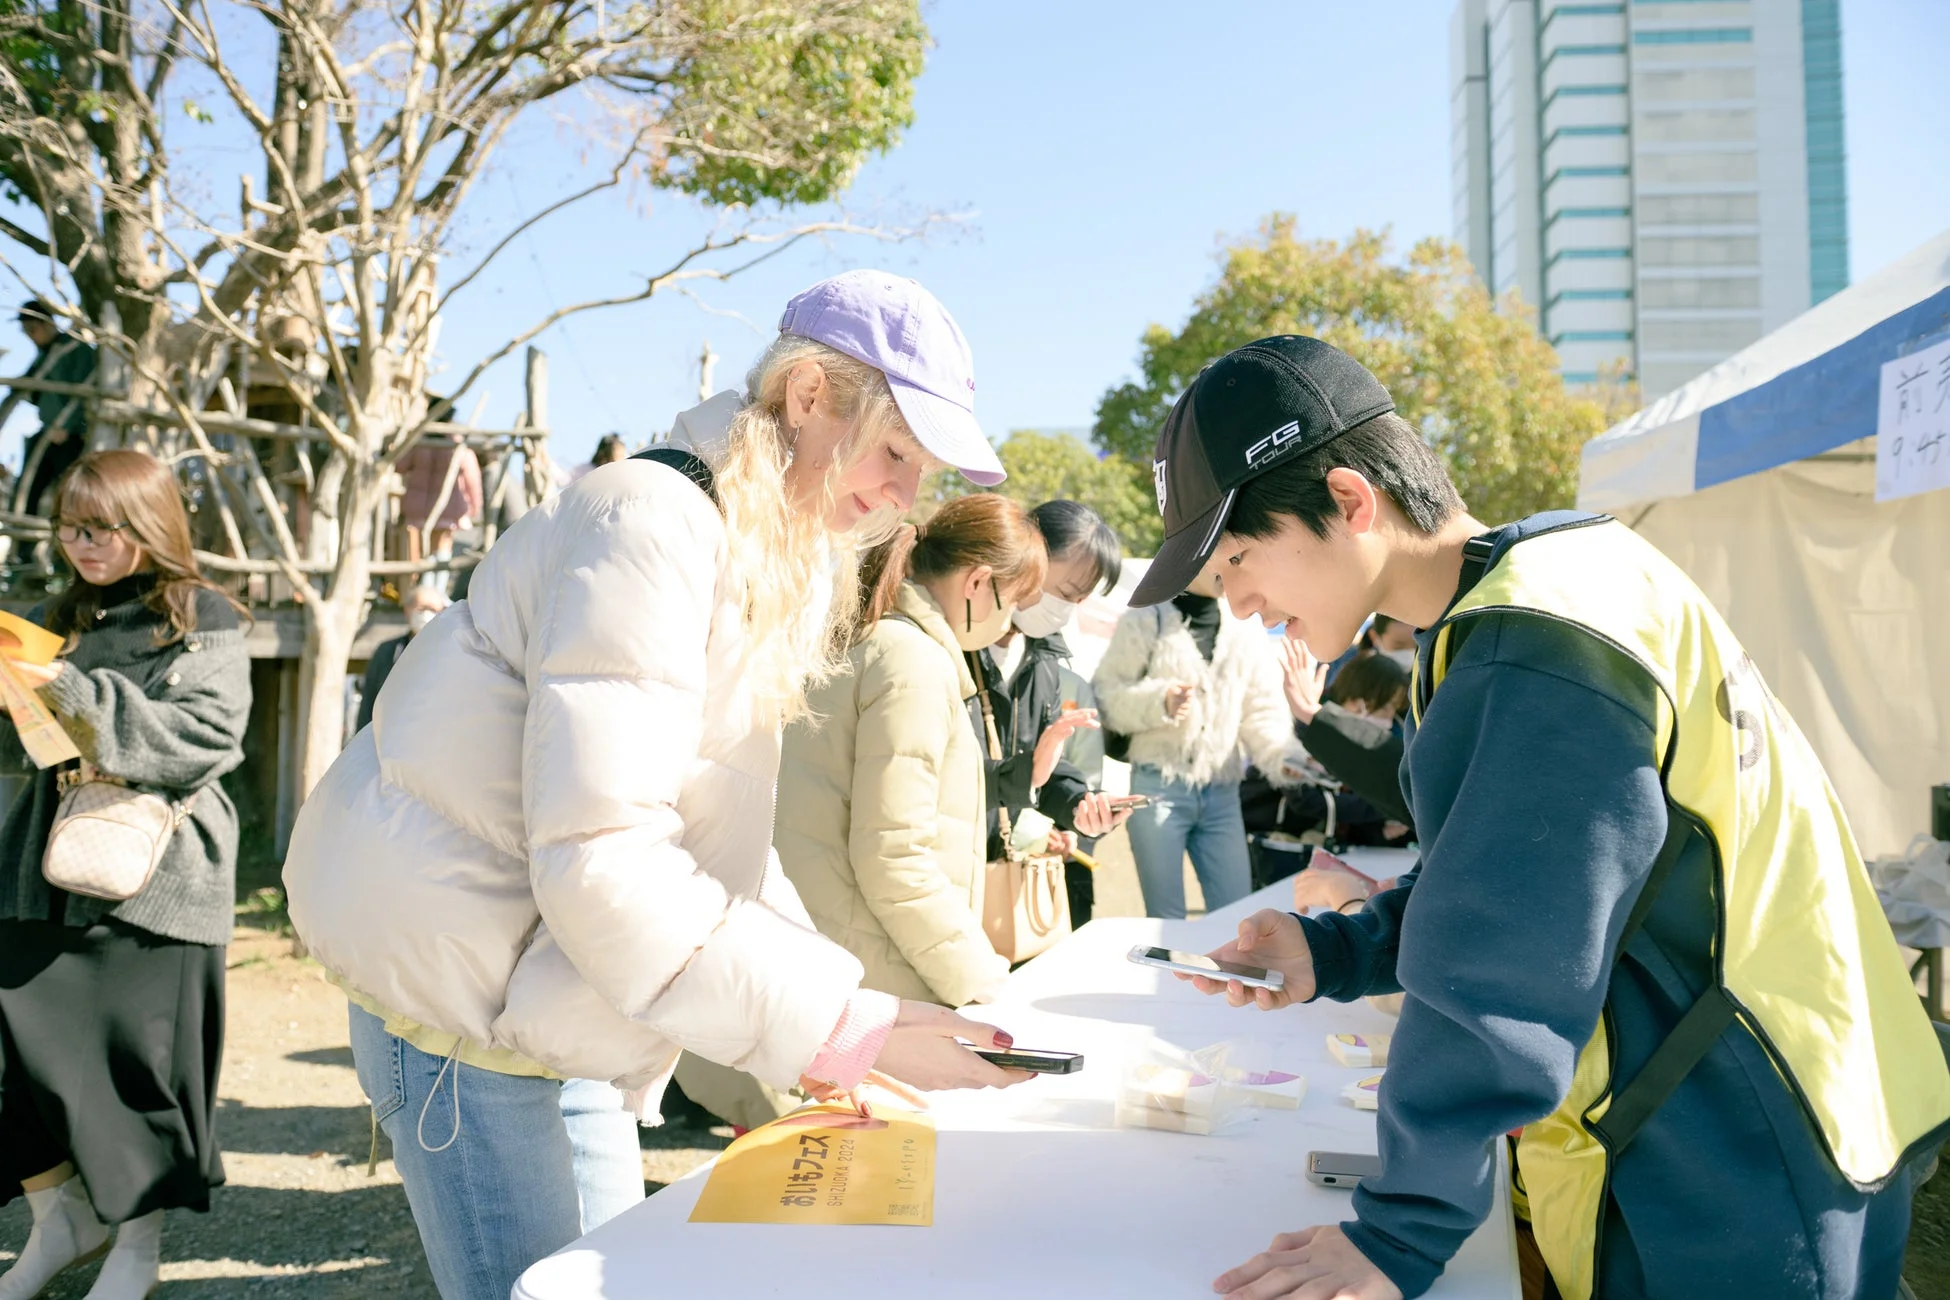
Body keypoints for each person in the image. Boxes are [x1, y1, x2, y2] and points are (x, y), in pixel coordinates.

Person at [1133, 334, 1949, 1300]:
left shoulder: (1535, 640)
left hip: (1732, 1157)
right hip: (1763, 1111)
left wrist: (1399, 1230)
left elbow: (1501, 965)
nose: (1236, 601)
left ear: (1351, 502)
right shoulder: (1548, 585)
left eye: (1236, 558)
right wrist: (1337, 953)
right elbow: (1512, 882)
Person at [281, 270, 1032, 1300]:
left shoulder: (755, 544)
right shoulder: (652, 521)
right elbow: (610, 859)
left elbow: (720, 835)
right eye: (895, 452)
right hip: (461, 1004)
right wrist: (835, 1028)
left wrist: (844, 1008)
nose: (905, 498)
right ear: (807, 395)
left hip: (560, 993)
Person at [0, 450, 251, 1300]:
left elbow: (208, 736)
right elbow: (22, 753)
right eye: (72, 526)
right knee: (17, 1064)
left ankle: (137, 1247)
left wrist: (71, 689)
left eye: (104, 527)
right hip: (39, 870)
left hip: (154, 877)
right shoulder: (45, 614)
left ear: (149, 525)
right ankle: (58, 1221)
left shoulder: (202, 614)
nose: (85, 544)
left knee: (131, 1071)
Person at [777, 492, 1047, 1011]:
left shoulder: (873, 637)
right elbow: (893, 854)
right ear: (977, 582)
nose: (1009, 621)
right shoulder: (913, 663)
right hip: (871, 971)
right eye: (1013, 602)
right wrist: (972, 975)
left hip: (831, 948)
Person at [1093, 570, 1312, 920]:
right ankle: (1170, 978)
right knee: (1165, 921)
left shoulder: (1244, 628)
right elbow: (1106, 696)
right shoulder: (1145, 617)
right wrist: (1159, 703)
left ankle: (1230, 978)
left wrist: (1283, 756)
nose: (1230, 567)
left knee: (1239, 915)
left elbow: (1262, 709)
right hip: (1157, 788)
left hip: (1223, 793)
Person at [975, 499, 1129, 926]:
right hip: (953, 870)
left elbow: (1046, 766)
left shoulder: (1043, 659)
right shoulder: (957, 645)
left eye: (1079, 599)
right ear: (1028, 552)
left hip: (1012, 879)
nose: (1067, 610)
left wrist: (1081, 804)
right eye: (1065, 593)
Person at [5, 302, 98, 516]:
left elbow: (83, 391)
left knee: (72, 495)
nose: (30, 337)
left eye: (32, 330)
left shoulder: (75, 348)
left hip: (70, 435)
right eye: (25, 332)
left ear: (47, 325)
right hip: (49, 431)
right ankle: (24, 547)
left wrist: (68, 426)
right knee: (26, 492)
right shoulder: (43, 356)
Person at [354, 587, 450, 733]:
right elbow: (369, 701)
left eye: (431, 609)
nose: (425, 614)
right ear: (407, 610)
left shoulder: (450, 651)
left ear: (442, 611)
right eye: (421, 608)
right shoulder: (387, 652)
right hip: (392, 735)